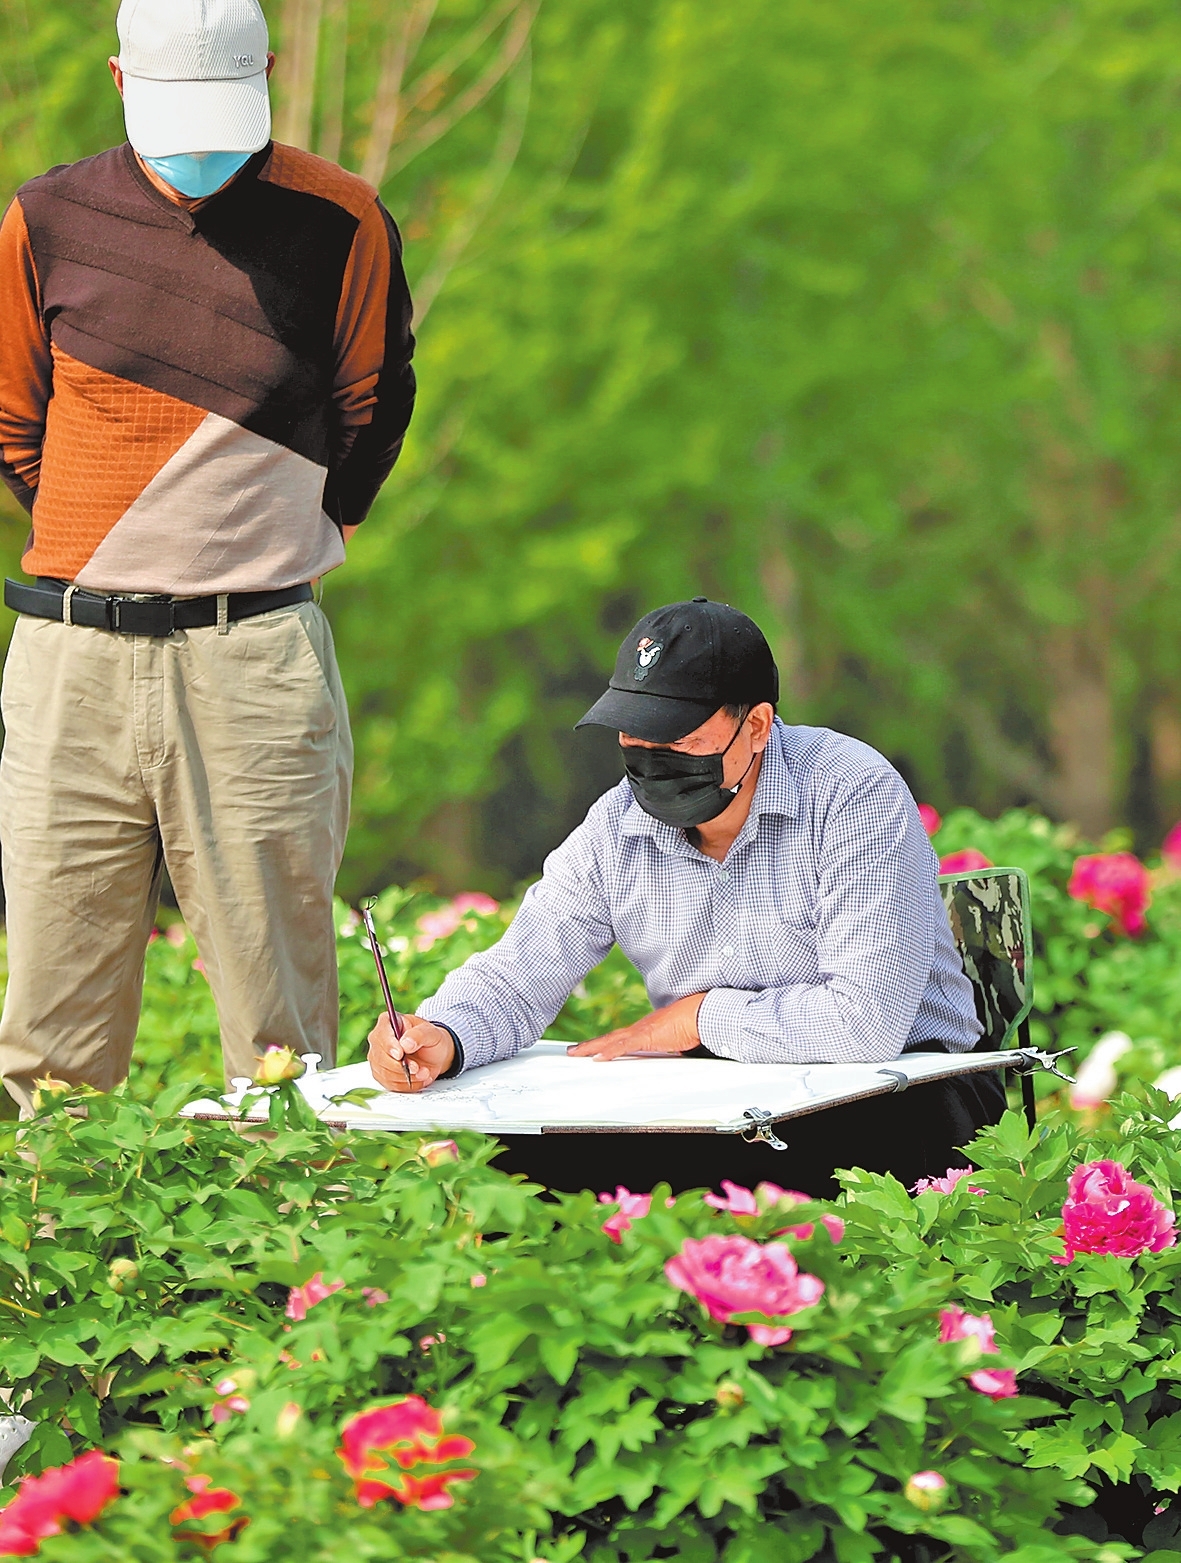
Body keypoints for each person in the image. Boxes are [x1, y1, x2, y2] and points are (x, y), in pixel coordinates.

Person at [0, 0, 415, 1115]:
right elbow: (12, 418)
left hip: (255, 657)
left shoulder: (341, 218)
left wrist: (265, 534)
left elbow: (373, 402)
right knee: (48, 1032)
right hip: (69, 656)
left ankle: (301, 1279)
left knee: (282, 1034)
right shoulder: (44, 217)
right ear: (119, 79)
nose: (198, 149)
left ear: (266, 74)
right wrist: (119, 536)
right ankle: (56, 1269)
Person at [367, 598, 1001, 1197]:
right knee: (516, 1166)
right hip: (722, 1096)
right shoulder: (618, 825)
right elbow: (521, 972)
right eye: (633, 737)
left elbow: (866, 1024)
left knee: (780, 1179)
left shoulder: (850, 793)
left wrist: (698, 1018)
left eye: (677, 739)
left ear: (756, 725)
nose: (651, 760)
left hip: (903, 1088)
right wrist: (443, 1035)